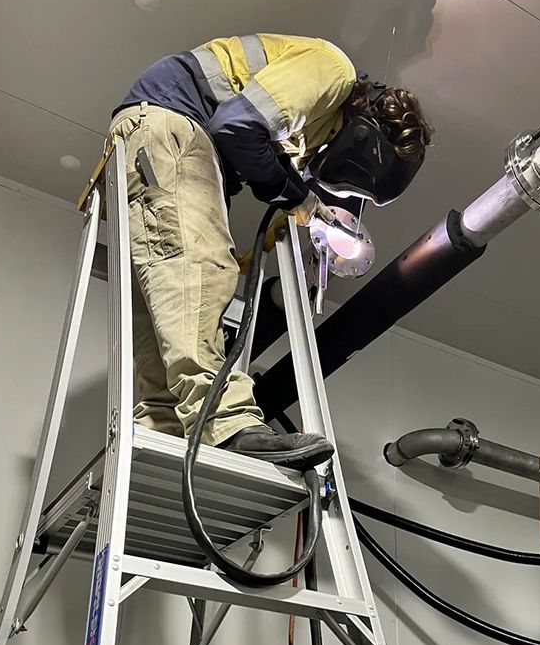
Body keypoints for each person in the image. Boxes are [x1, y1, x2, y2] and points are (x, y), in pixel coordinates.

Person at [109, 34, 431, 469]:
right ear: (362, 142)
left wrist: (294, 197)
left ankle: (162, 427)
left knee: (166, 299)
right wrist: (295, 196)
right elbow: (236, 127)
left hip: (152, 133)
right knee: (202, 269)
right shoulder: (332, 68)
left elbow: (253, 143)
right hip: (175, 126)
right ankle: (226, 422)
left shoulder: (305, 123)